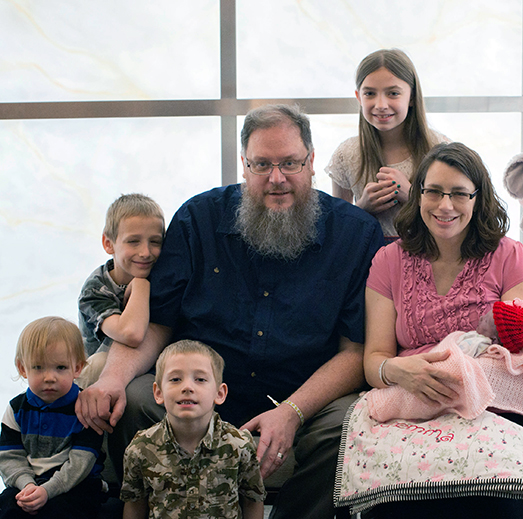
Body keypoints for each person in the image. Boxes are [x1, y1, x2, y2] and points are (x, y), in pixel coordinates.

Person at [75, 104, 385, 519]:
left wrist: (291, 412)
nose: (276, 178)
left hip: (302, 395)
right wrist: (112, 378)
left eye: (290, 163)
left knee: (348, 421)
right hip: (199, 390)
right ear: (244, 165)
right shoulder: (197, 219)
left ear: (311, 162)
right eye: (262, 164)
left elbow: (355, 351)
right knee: (131, 397)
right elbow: (160, 322)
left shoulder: (356, 234)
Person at [362, 142, 523, 518]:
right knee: (392, 501)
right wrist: (399, 371)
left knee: (496, 496)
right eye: (433, 191)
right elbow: (373, 361)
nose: (445, 205)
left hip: (490, 404)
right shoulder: (389, 260)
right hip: (412, 402)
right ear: (418, 196)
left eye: (460, 193)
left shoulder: (508, 255)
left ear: (478, 199)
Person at [120, 340, 265, 519]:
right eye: (175, 379)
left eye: (200, 379)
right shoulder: (140, 448)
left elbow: (253, 501)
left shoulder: (239, 445)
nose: (187, 387)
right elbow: (134, 506)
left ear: (219, 394)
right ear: (158, 393)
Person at [326, 48, 448, 240]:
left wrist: (412, 196)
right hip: (368, 262)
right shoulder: (346, 154)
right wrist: (362, 208)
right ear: (359, 97)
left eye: (393, 93)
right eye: (370, 94)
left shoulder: (439, 148)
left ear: (412, 97)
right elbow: (337, 230)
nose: (381, 104)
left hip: (429, 258)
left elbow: (455, 212)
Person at [0, 317, 105, 519]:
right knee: (8, 506)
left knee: (60, 510)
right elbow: (9, 457)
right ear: (23, 369)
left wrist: (48, 490)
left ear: (77, 368)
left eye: (60, 368)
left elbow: (81, 463)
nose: (49, 377)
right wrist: (28, 486)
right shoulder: (16, 409)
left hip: (74, 484)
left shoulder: (84, 408)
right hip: (29, 482)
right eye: (38, 367)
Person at [77, 193, 165, 387]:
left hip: (145, 367)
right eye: (133, 241)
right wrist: (141, 285)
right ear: (108, 244)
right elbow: (131, 334)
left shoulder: (164, 276)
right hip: (95, 379)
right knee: (100, 363)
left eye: (155, 242)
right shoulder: (95, 290)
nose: (145, 252)